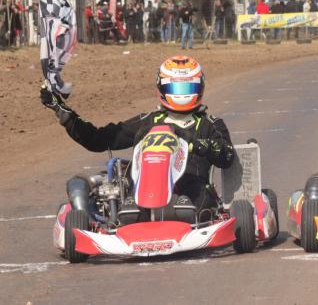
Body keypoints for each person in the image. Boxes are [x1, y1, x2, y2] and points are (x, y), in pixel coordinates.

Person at [40, 56, 235, 222]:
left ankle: (180, 214)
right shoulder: (148, 121)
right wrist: (62, 112)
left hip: (191, 186)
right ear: (162, 88)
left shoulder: (210, 124)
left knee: (198, 207)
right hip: (145, 188)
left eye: (188, 87)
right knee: (98, 193)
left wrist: (199, 145)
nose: (182, 95)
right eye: (175, 89)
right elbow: (97, 139)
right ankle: (128, 215)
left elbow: (227, 157)